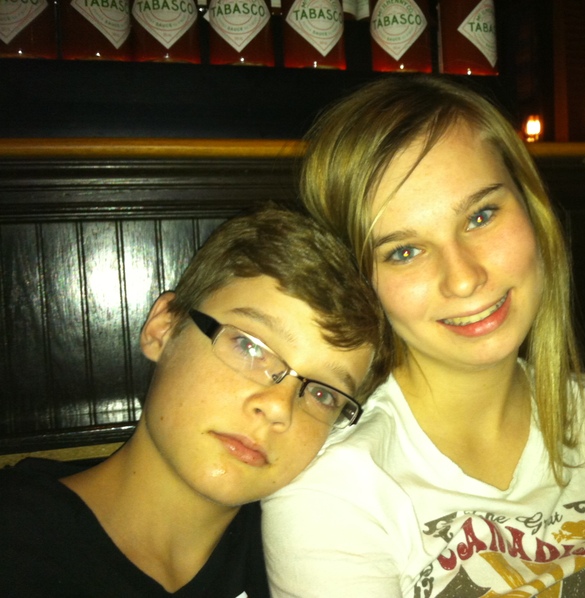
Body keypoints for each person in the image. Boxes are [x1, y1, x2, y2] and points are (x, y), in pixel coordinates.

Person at [261, 76, 585, 597]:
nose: (463, 278)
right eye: (403, 251)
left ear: (534, 209)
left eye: (480, 216)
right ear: (361, 281)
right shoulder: (334, 490)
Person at [0, 205, 391, 597]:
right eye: (250, 347)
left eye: (323, 393)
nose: (278, 407)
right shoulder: (20, 544)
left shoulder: (319, 553)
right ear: (164, 328)